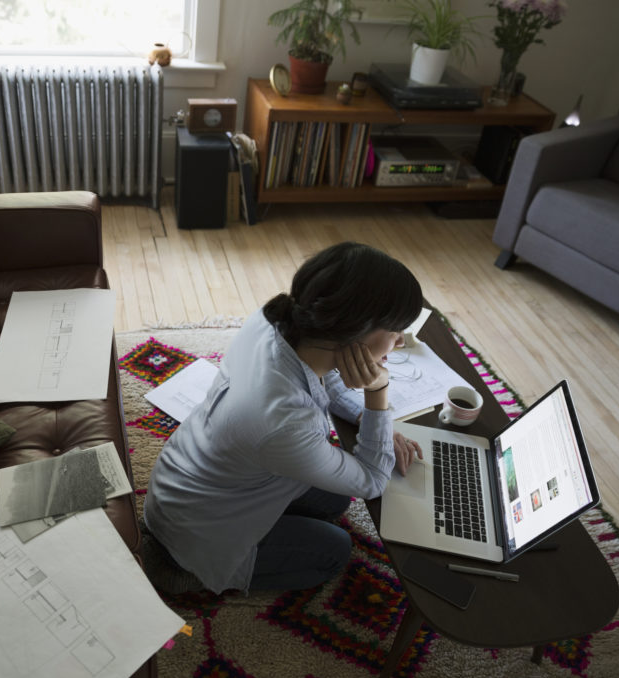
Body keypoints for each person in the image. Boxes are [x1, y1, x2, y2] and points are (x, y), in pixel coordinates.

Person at [142, 242, 424, 595]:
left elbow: (327, 380)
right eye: (396, 330)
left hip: (185, 479)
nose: (399, 342)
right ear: (357, 331)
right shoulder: (287, 422)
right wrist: (377, 397)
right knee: (335, 550)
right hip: (196, 539)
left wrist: (377, 425)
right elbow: (372, 479)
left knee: (336, 501)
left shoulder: (274, 319)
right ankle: (190, 579)